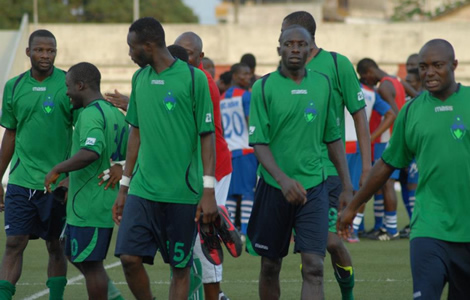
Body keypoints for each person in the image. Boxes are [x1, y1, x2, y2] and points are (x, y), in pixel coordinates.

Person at [338, 38, 470, 300]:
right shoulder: (411, 111)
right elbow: (386, 165)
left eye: (437, 65)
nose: (429, 72)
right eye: (423, 67)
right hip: (429, 228)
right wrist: (353, 207)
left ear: (454, 65)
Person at [112, 17, 218, 300]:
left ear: (148, 46)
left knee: (180, 268)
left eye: (132, 48)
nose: (130, 54)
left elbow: (207, 136)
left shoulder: (195, 79)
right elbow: (135, 134)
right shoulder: (139, 78)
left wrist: (208, 191)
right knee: (128, 258)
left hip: (182, 193)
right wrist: (124, 186)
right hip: (143, 191)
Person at [247, 25, 353, 300]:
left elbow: (333, 139)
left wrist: (347, 185)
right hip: (273, 188)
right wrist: (283, 180)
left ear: (310, 50)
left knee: (315, 268)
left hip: (314, 189)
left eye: (301, 44)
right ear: (279, 48)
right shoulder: (263, 86)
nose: (295, 48)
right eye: (289, 43)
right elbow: (259, 142)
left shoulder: (323, 84)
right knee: (270, 266)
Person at [282, 11, 370, 300]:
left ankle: (348, 294)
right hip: (293, 173)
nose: (287, 44)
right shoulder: (284, 71)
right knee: (304, 251)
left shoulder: (336, 63)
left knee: (332, 241)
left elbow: (359, 116)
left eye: (289, 36)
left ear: (306, 36)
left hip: (330, 171)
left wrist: (366, 168)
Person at [44, 62, 128, 300]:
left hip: (90, 203)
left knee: (92, 267)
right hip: (98, 200)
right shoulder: (115, 113)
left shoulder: (91, 114)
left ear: (80, 85)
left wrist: (58, 169)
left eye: (68, 86)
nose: (67, 92)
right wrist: (119, 167)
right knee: (78, 256)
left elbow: (91, 152)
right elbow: (131, 149)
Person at [0, 29, 70, 300]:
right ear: (28, 52)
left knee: (56, 245)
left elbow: (81, 127)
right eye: (39, 50)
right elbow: (11, 134)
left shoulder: (68, 83)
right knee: (14, 244)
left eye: (50, 50)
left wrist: (69, 176)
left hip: (56, 183)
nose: (45, 55)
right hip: (21, 180)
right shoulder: (14, 86)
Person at [174, 31, 235, 300]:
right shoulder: (184, 79)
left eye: (188, 53)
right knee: (194, 239)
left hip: (213, 168)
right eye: (178, 51)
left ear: (200, 56)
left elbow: (194, 130)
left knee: (203, 238)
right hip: (196, 169)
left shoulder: (203, 82)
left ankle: (214, 294)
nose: (182, 57)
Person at [357, 57, 406, 241]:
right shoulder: (395, 81)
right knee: (382, 185)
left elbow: (395, 114)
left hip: (387, 140)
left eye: (364, 76)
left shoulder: (384, 86)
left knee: (387, 185)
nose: (367, 80)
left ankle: (391, 230)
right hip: (391, 140)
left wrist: (373, 136)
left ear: (369, 72)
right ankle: (383, 227)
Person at [345, 83, 396, 242]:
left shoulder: (339, 87)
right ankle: (353, 230)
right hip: (359, 145)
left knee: (332, 186)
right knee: (359, 188)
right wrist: (370, 138)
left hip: (337, 143)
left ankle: (332, 229)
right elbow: (391, 114)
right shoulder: (370, 93)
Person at [220, 62, 257, 237]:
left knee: (231, 194)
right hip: (245, 150)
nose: (248, 77)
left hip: (229, 151)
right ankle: (246, 229)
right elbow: (251, 122)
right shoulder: (245, 96)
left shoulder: (222, 98)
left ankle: (230, 230)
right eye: (245, 74)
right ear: (234, 76)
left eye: (249, 74)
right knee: (248, 191)